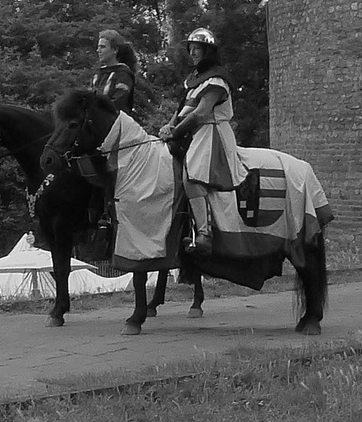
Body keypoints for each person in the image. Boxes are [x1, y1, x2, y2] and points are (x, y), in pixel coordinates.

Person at [157, 28, 247, 255]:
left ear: (208, 51)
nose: (193, 53)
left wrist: (175, 132)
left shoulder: (216, 79)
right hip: (192, 133)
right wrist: (169, 126)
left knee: (192, 176)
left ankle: (205, 234)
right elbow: (182, 110)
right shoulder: (194, 81)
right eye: (191, 48)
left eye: (198, 48)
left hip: (211, 132)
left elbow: (201, 113)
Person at [91, 29, 143, 120]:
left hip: (117, 125)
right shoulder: (98, 74)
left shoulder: (123, 74)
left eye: (102, 47)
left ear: (115, 50)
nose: (98, 50)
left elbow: (118, 103)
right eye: (98, 47)